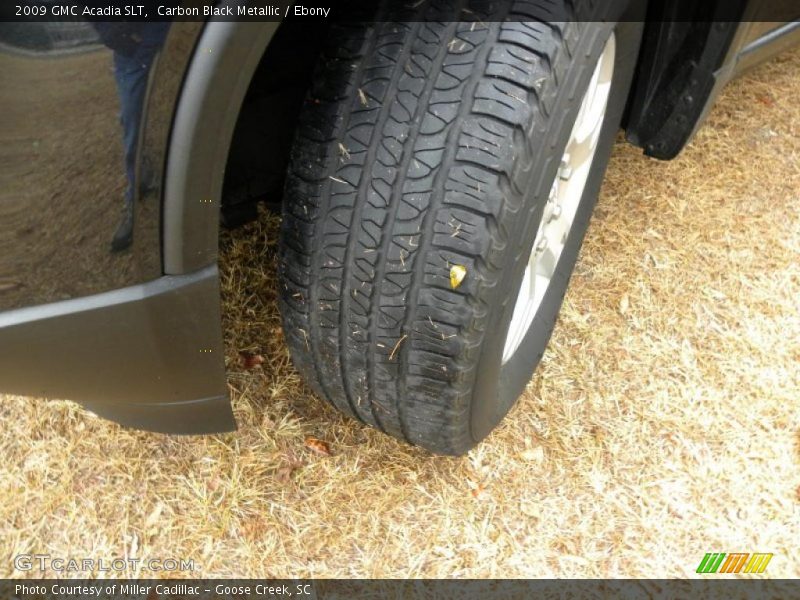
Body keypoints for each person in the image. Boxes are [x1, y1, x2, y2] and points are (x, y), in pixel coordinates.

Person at [91, 22, 170, 252]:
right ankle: (136, 193)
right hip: (132, 46)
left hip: (172, 30)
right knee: (132, 120)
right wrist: (111, 33)